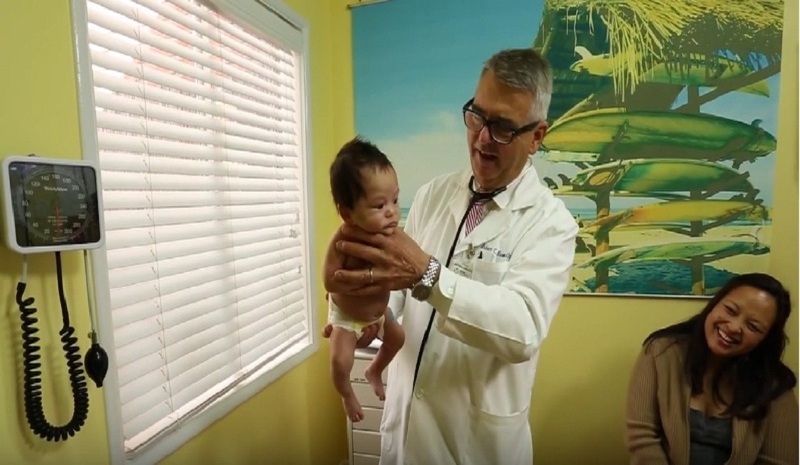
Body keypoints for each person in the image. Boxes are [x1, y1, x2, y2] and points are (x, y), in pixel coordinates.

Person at [325, 48, 578, 465]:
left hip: (476, 444)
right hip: (406, 431)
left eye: (502, 128)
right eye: (477, 116)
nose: (481, 138)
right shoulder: (431, 195)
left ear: (537, 137)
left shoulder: (552, 224)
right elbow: (397, 287)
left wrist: (429, 275)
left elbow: (524, 327)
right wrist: (367, 313)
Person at [625, 273, 798, 465]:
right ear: (715, 304)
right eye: (731, 310)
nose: (733, 327)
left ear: (764, 340)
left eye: (753, 326)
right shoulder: (661, 352)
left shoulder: (775, 386)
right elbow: (643, 438)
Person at [323, 137, 405, 423]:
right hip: (346, 317)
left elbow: (406, 271)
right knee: (340, 361)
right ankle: (347, 395)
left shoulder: (393, 237)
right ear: (348, 212)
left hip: (380, 313)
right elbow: (330, 282)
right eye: (379, 205)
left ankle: (374, 370)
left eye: (395, 200)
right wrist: (361, 287)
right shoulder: (343, 239)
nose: (392, 211)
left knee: (398, 338)